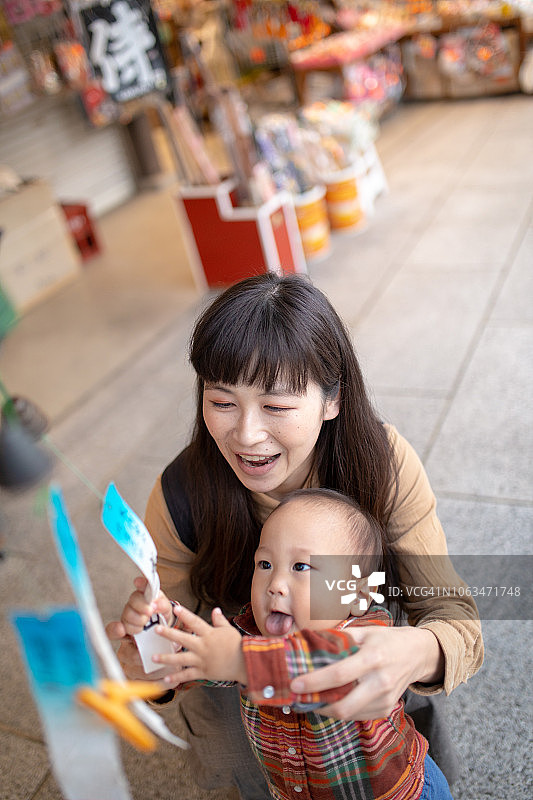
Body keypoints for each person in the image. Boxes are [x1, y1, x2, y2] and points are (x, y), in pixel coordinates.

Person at [106, 272, 483, 798]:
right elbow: (172, 641)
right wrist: (145, 661)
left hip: (356, 655)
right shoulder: (181, 494)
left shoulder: (383, 465)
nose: (246, 434)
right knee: (234, 762)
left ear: (333, 400)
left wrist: (415, 652)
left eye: (277, 406)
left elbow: (455, 620)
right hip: (233, 668)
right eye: (221, 402)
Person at [151, 487, 454, 800]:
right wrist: (157, 636)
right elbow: (206, 658)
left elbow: (319, 664)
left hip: (400, 794)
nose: (275, 585)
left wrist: (240, 661)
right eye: (265, 564)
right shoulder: (251, 634)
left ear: (358, 596)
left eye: (301, 567)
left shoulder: (365, 635)